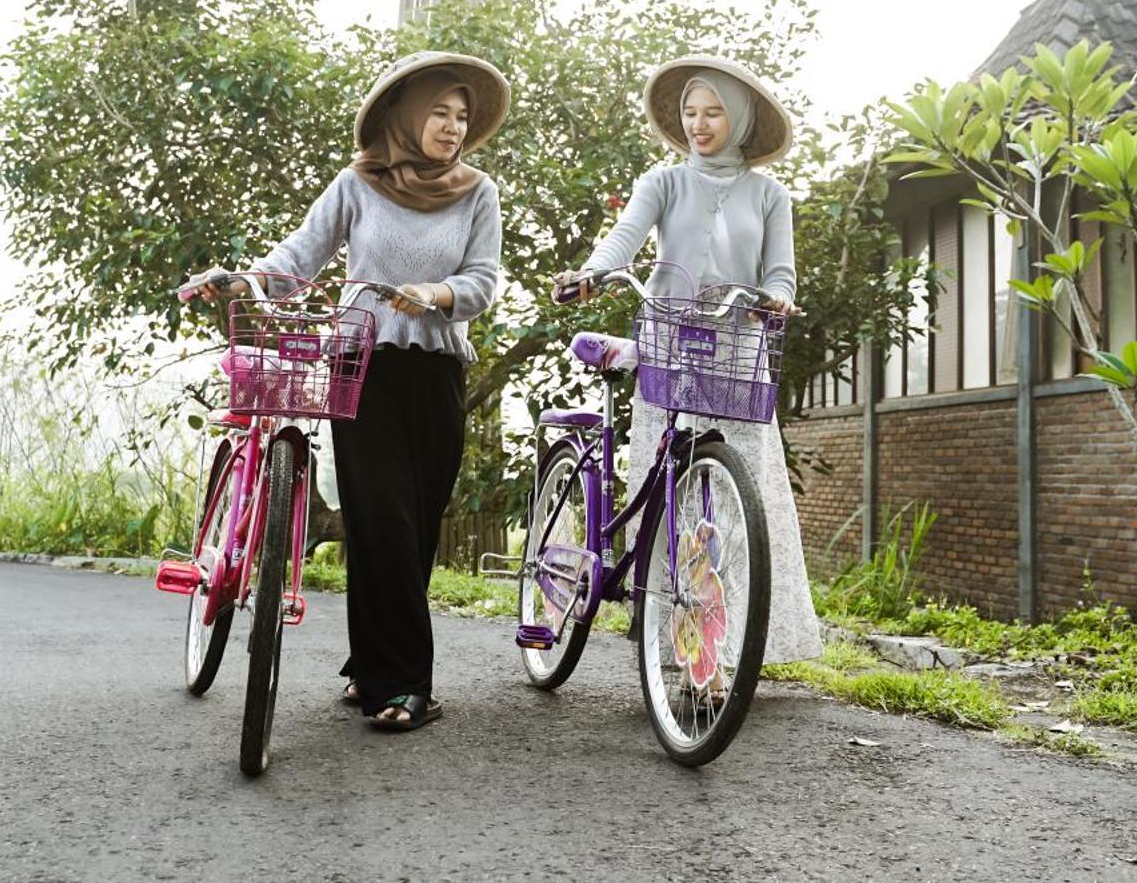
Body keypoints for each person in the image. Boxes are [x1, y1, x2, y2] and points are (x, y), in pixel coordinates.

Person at [202, 50, 507, 731]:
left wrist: (436, 292)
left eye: (462, 116)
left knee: (416, 526)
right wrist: (248, 281)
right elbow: (300, 255)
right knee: (382, 514)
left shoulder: (477, 191)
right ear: (405, 114)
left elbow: (485, 279)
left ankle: (368, 665)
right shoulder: (357, 183)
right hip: (361, 362)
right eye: (439, 112)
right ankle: (406, 686)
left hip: (437, 369)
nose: (453, 126)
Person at [556, 55, 822, 665]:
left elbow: (779, 271)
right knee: (669, 486)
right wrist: (594, 275)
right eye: (690, 113)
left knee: (737, 489)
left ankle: (730, 641)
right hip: (672, 339)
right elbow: (624, 238)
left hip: (738, 347)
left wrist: (777, 298)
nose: (699, 124)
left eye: (714, 112)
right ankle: (666, 631)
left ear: (742, 117)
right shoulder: (663, 182)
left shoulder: (769, 194)